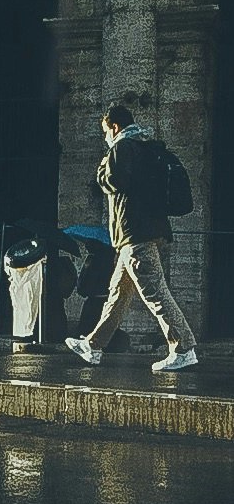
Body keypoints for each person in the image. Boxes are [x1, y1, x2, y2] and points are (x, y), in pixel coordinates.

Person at [66, 99, 197, 374]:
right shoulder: (144, 146)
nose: (105, 137)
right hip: (141, 232)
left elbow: (110, 180)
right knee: (117, 294)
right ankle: (94, 346)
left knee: (154, 291)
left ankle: (183, 348)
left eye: (105, 131)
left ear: (114, 126)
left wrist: (104, 163)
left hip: (136, 234)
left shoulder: (123, 147)